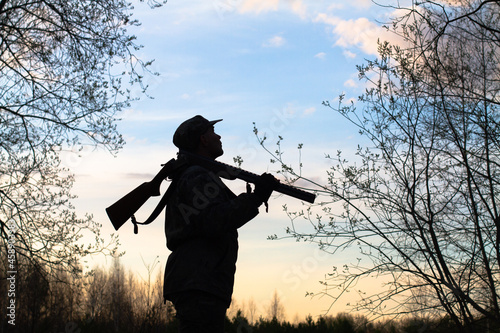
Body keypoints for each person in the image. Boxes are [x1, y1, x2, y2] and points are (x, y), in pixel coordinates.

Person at [163, 115, 278, 332]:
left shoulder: (198, 175)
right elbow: (214, 220)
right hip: (199, 282)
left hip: (200, 280)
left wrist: (254, 198)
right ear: (203, 140)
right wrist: (256, 198)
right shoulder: (197, 175)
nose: (219, 136)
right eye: (213, 132)